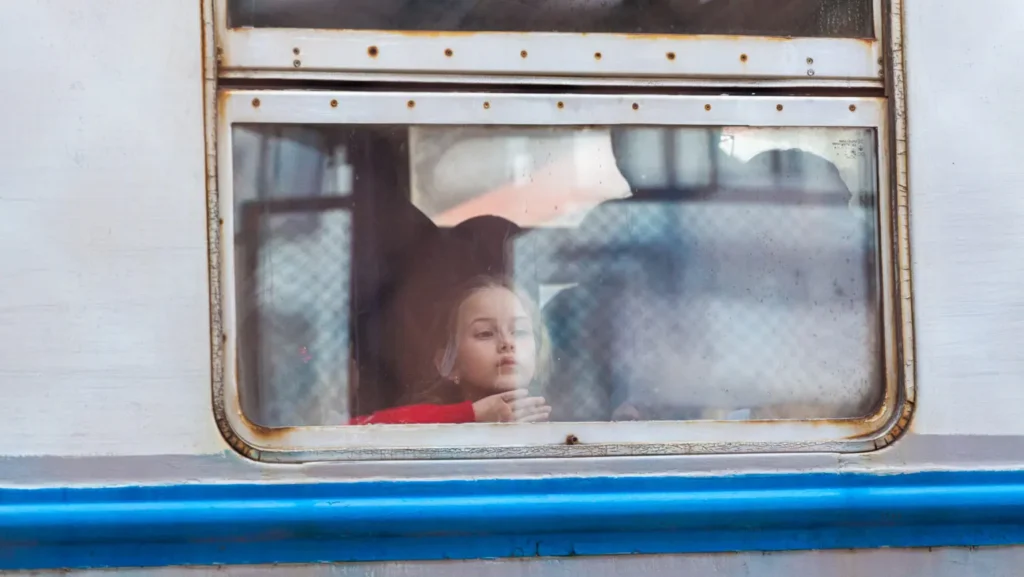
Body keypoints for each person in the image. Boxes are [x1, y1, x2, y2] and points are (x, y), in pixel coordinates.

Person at [349, 275, 551, 425]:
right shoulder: (430, 426)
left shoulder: (561, 426)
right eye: (485, 333)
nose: (507, 343)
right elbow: (357, 430)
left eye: (520, 331)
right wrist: (473, 414)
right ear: (449, 364)